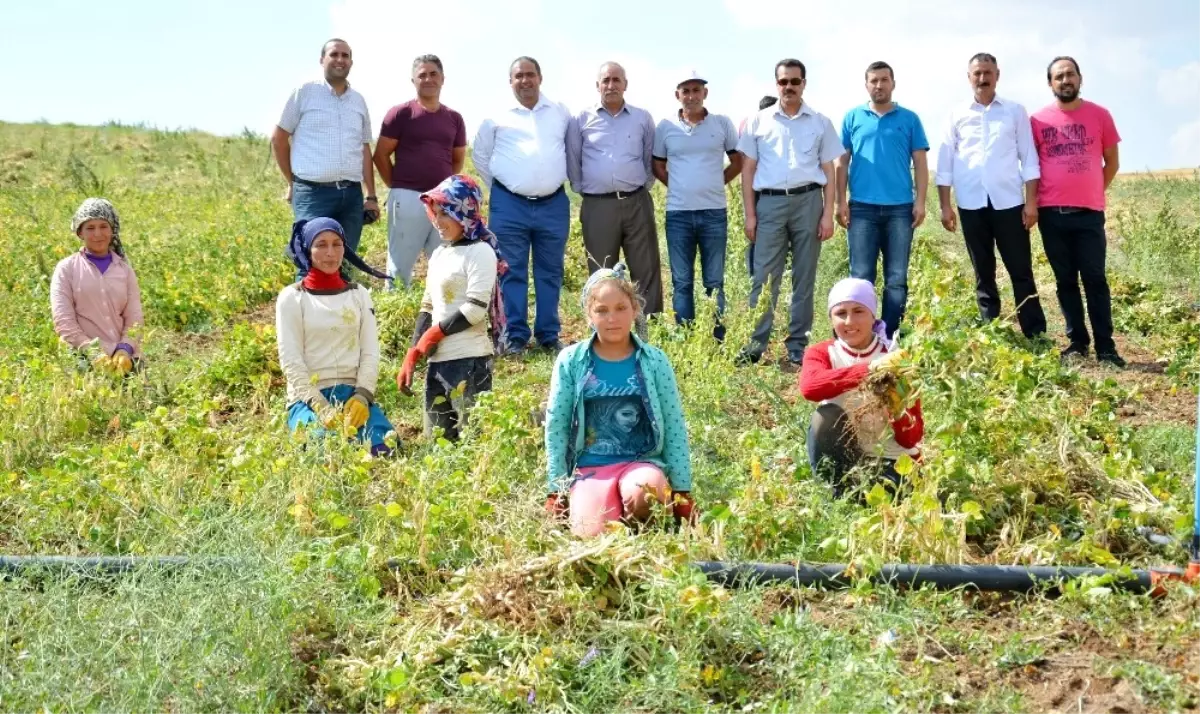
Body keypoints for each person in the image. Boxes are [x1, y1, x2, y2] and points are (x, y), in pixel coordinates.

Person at [543, 264, 695, 537]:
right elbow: (557, 425)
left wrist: (682, 488)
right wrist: (557, 488)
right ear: (589, 315)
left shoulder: (654, 361)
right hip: (591, 468)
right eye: (601, 310)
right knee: (590, 534)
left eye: (621, 308)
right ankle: (601, 515)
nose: (612, 318)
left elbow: (673, 425)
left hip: (641, 464)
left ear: (635, 310)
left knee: (646, 493)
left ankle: (645, 533)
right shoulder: (571, 361)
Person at [736, 59, 844, 369]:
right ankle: (756, 346)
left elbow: (829, 169)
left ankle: (797, 347)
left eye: (795, 81)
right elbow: (748, 170)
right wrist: (750, 214)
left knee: (804, 277)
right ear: (776, 84)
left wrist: (827, 213)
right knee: (763, 278)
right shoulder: (759, 121)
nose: (789, 87)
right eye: (783, 82)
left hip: (808, 202)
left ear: (804, 84)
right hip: (769, 204)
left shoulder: (820, 122)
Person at [935, 53, 1048, 341]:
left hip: (1009, 204)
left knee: (1020, 270)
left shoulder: (1014, 112)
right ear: (969, 77)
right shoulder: (956, 114)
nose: (982, 78)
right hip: (971, 205)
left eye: (988, 72)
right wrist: (946, 206)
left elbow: (1029, 159)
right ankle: (991, 332)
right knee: (983, 273)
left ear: (998, 74)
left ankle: (1035, 333)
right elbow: (945, 162)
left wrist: (1031, 202)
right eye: (977, 73)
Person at [472, 56, 572, 356]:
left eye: (530, 74)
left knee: (550, 270)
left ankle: (548, 335)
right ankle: (514, 334)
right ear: (510, 81)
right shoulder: (495, 116)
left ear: (540, 78)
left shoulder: (560, 113)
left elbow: (568, 149)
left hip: (553, 204)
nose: (525, 80)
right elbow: (480, 156)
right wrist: (508, 187)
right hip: (509, 206)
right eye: (519, 76)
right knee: (510, 270)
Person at [1031, 56, 1125, 367]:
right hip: (1051, 214)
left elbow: (1112, 162)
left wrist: (1094, 191)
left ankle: (1106, 347)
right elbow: (1030, 166)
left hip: (1089, 214)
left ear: (1080, 79)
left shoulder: (1100, 115)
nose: (1065, 80)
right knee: (1065, 280)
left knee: (1095, 279)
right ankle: (1077, 343)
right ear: (1050, 83)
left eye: (1070, 74)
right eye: (1058, 76)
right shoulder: (1038, 121)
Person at [276, 217, 397, 456]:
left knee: (384, 449)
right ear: (307, 250)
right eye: (321, 245)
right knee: (326, 453)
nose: (330, 253)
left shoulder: (359, 295)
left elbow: (370, 352)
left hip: (352, 395)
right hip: (309, 398)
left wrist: (362, 396)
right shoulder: (292, 298)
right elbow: (290, 360)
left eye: (336, 244)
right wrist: (320, 406)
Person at [395, 175, 503, 442]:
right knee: (439, 445)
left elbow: (476, 309)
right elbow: (428, 306)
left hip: (470, 361)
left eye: (446, 213)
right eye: (435, 212)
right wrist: (412, 351)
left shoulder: (480, 252)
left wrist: (433, 335)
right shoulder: (441, 254)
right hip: (437, 363)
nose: (437, 221)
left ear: (464, 212)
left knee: (473, 441)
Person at [799, 278, 924, 499]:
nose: (849, 321)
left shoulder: (895, 359)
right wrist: (870, 370)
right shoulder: (822, 352)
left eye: (858, 311)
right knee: (824, 417)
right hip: (848, 457)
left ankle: (859, 495)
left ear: (873, 315)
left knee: (898, 494)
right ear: (830, 318)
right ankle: (835, 490)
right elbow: (810, 387)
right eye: (840, 313)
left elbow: (911, 438)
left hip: (891, 460)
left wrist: (899, 412)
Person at [835, 61, 930, 340]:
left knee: (897, 278)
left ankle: (890, 334)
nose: (879, 85)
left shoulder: (909, 119)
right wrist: (841, 202)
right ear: (866, 85)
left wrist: (920, 201)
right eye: (874, 80)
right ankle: (861, 335)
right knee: (861, 277)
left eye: (884, 80)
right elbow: (841, 162)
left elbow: (921, 163)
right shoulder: (852, 117)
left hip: (900, 208)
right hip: (861, 208)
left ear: (893, 83)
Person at [272, 38, 378, 281]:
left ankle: (340, 318)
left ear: (351, 61)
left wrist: (371, 195)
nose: (340, 60)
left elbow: (364, 149)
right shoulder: (305, 92)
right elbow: (279, 139)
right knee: (310, 260)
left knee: (345, 261)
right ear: (322, 60)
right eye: (334, 54)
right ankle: (305, 317)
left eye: (345, 55)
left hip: (351, 196)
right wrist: (293, 182)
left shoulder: (358, 101)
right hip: (313, 193)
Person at [568, 62, 663, 317]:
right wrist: (584, 188)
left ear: (625, 85)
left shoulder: (642, 118)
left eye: (616, 80)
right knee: (602, 271)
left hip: (636, 201)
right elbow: (573, 158)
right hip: (598, 205)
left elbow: (649, 157)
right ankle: (604, 324)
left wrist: (641, 187)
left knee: (646, 267)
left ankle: (651, 324)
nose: (611, 85)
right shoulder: (581, 119)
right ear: (597, 85)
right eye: (605, 80)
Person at [652, 71, 741, 341]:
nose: (691, 96)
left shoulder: (721, 124)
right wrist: (678, 186)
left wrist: (717, 182)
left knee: (714, 281)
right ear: (677, 95)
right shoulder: (665, 127)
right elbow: (658, 165)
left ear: (705, 93)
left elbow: (737, 161)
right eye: (685, 91)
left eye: (696, 90)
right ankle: (687, 338)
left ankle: (717, 337)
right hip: (678, 215)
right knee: (682, 281)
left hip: (714, 213)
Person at [373, 54, 468, 288]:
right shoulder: (400, 114)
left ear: (443, 79)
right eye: (422, 75)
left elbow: (456, 160)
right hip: (407, 199)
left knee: (445, 263)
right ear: (413, 81)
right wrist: (396, 186)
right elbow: (380, 155)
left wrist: (442, 189)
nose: (428, 79)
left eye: (433, 74)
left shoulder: (454, 118)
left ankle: (439, 318)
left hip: (442, 203)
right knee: (399, 266)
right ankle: (395, 313)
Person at [50, 198, 145, 375]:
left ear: (112, 230)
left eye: (103, 226)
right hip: (81, 357)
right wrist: (92, 352)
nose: (97, 234)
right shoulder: (67, 269)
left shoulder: (124, 271)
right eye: (90, 228)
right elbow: (64, 322)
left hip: (123, 359)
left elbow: (134, 318)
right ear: (80, 233)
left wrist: (124, 349)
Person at [740, 95, 779, 276]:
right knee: (757, 237)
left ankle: (755, 275)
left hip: (760, 191)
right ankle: (756, 276)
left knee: (756, 238)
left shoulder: (749, 126)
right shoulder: (751, 127)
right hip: (761, 192)